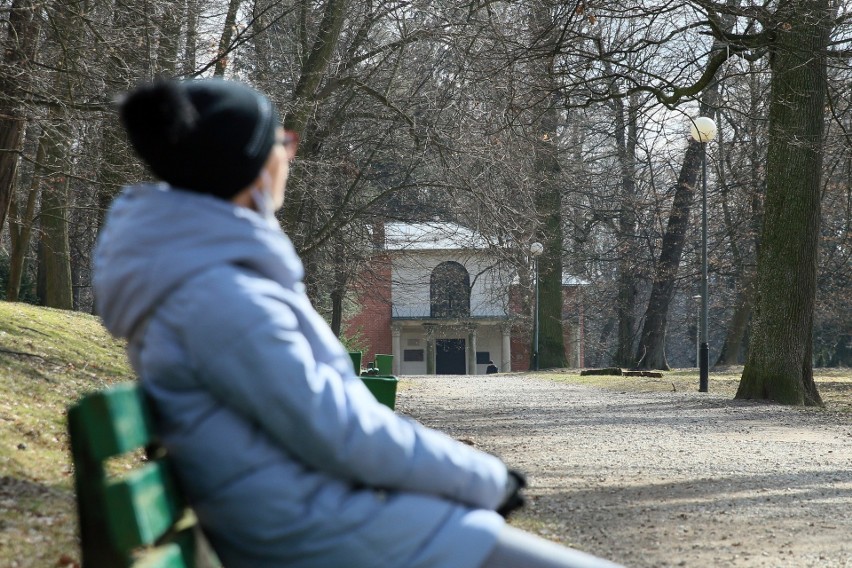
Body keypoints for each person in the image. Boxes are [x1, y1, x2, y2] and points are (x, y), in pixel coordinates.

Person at [93, 78, 623, 568]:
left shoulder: (207, 279)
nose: (290, 152)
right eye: (282, 141)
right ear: (251, 165)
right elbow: (339, 431)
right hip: (323, 533)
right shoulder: (221, 296)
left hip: (318, 517)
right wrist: (488, 479)